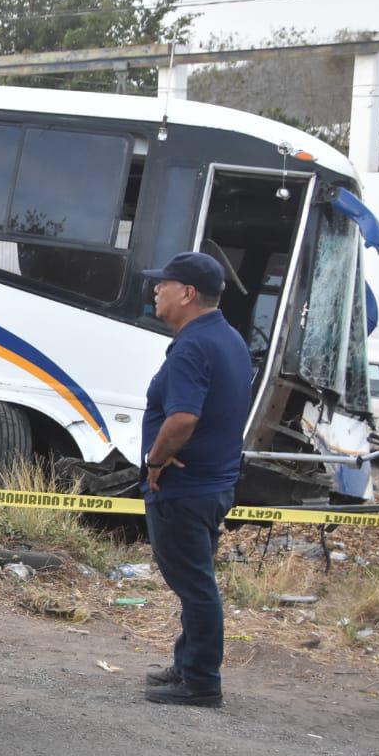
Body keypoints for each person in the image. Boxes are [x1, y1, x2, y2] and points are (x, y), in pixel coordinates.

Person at [139, 251, 254, 708]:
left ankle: (201, 679)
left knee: (195, 585)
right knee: (194, 581)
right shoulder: (226, 337)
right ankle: (187, 665)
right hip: (215, 482)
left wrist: (155, 461)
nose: (155, 290)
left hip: (187, 489)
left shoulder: (192, 345)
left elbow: (183, 417)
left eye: (163, 284)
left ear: (187, 293)